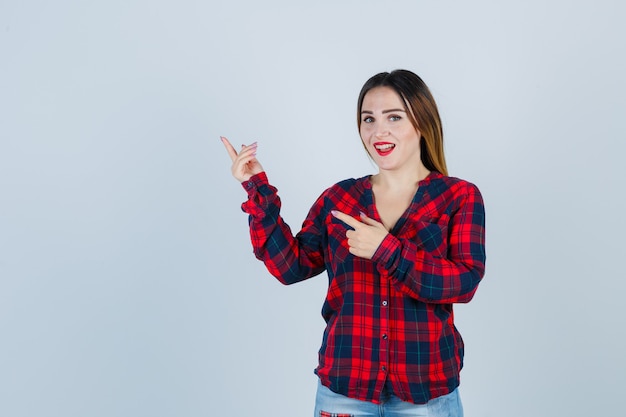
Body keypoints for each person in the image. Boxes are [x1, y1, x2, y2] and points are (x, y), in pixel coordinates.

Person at [221, 69, 486, 417]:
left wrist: (386, 249)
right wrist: (257, 188)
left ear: (422, 121)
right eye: (368, 119)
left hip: (426, 394)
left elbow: (463, 283)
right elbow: (290, 266)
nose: (379, 131)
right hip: (345, 392)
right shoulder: (340, 199)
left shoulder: (459, 197)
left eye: (394, 117)